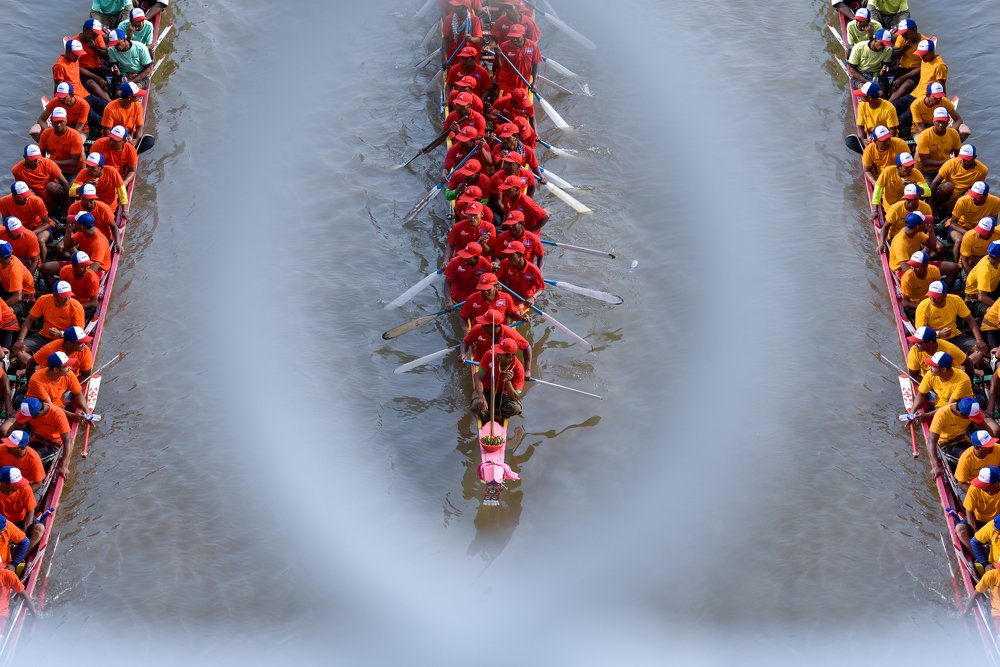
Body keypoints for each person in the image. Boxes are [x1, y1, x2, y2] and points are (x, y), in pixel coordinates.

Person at [12, 281, 85, 357]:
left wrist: (61, 334)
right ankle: (37, 367)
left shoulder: (77, 307)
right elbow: (30, 319)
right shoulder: (43, 300)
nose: (67, 298)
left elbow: (78, 334)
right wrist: (20, 340)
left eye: (69, 295)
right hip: (43, 337)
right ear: (55, 295)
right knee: (20, 349)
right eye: (64, 296)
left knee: (59, 360)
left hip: (64, 341)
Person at [916, 280, 988, 357]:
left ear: (944, 295)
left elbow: (970, 319)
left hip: (956, 337)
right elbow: (921, 334)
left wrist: (979, 340)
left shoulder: (955, 300)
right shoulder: (923, 307)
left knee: (981, 349)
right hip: (935, 341)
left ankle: (963, 366)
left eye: (935, 296)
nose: (932, 298)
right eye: (930, 295)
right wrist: (938, 334)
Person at [7, 398, 72, 472]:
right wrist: (7, 446)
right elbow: (14, 427)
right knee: (14, 455)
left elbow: (68, 441)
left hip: (52, 445)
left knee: (29, 460)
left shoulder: (57, 414)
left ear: (40, 413)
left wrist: (64, 465)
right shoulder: (29, 410)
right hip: (35, 438)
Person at [926, 402, 990, 477]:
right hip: (947, 445)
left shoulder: (969, 409)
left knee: (984, 455)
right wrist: (935, 465)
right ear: (960, 413)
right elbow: (931, 442)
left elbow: (985, 427)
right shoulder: (942, 414)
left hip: (963, 439)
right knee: (969, 460)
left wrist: (991, 445)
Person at [471, 337, 525, 420]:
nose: (497, 354)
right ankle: (491, 412)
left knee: (515, 409)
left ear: (509, 356)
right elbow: (477, 376)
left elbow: (514, 397)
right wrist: (481, 396)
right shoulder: (490, 355)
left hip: (504, 396)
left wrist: (508, 382)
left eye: (500, 353)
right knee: (475, 405)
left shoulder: (519, 369)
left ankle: (490, 412)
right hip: (486, 390)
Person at [462, 309, 531, 372]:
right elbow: (466, 341)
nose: (482, 325)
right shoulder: (478, 328)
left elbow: (527, 347)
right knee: (479, 379)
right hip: (480, 362)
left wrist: (527, 370)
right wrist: (463, 353)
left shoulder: (509, 333)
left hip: (500, 364)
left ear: (494, 325)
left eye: (485, 324)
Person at [932, 144, 989, 216]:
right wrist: (932, 207)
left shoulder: (983, 170)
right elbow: (934, 182)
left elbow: (978, 186)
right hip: (946, 193)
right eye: (961, 158)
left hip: (961, 195)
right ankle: (938, 206)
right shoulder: (951, 163)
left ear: (974, 157)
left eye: (966, 159)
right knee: (947, 186)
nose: (962, 161)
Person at [912, 351, 975, 416]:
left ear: (943, 370)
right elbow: (921, 393)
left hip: (962, 405)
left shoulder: (963, 380)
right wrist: (911, 412)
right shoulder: (930, 374)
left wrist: (928, 415)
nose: (929, 368)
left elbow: (950, 404)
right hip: (944, 401)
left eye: (933, 366)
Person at [27, 326, 94, 387]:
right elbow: (31, 363)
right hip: (47, 381)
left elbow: (86, 376)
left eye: (84, 342)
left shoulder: (85, 351)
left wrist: (67, 386)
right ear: (69, 343)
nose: (84, 345)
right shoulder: (50, 349)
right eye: (80, 343)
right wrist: (30, 384)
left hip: (69, 383)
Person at [53, 38, 111, 107]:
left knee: (107, 106)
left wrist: (97, 78)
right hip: (76, 99)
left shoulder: (74, 59)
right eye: (75, 54)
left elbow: (80, 70)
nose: (78, 57)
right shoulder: (60, 66)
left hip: (85, 94)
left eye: (79, 54)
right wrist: (56, 105)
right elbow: (58, 88)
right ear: (67, 52)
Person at [890, 39, 947, 109]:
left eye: (924, 55)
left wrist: (944, 106)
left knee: (903, 118)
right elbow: (920, 69)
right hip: (914, 94)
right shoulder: (925, 60)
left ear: (932, 52)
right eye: (920, 55)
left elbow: (941, 87)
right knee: (892, 107)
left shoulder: (939, 66)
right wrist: (903, 78)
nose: (921, 57)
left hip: (924, 99)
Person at [11, 144, 68, 213]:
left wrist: (67, 207)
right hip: (37, 195)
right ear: (25, 157)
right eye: (33, 159)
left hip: (52, 192)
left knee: (52, 186)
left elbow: (65, 182)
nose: (37, 161)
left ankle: (61, 206)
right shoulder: (17, 170)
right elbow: (22, 187)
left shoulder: (48, 163)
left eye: (38, 158)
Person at [26, 352, 86, 417]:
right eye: (66, 366)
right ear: (56, 369)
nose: (70, 368)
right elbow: (49, 404)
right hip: (38, 406)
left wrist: (87, 412)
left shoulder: (69, 374)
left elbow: (78, 393)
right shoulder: (36, 380)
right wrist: (72, 415)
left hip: (56, 401)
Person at [906, 325, 972, 382]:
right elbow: (913, 375)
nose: (915, 345)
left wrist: (970, 383)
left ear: (930, 343)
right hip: (931, 383)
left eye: (919, 343)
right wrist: (930, 387)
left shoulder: (949, 349)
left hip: (953, 381)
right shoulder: (914, 351)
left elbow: (968, 362)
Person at [0, 183, 52, 251]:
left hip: (37, 227)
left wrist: (30, 234)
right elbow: (6, 221)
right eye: (22, 196)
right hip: (17, 228)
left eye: (27, 195)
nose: (26, 198)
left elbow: (46, 223)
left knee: (40, 241)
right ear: (14, 195)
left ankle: (43, 261)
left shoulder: (37, 201)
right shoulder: (3, 202)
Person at [0, 467, 40, 552]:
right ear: (3, 484)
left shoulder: (25, 488)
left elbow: (30, 511)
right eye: (16, 485)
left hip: (21, 520)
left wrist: (22, 534)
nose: (19, 487)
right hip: (3, 523)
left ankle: (21, 557)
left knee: (39, 530)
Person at [493, 24, 542, 93]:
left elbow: (535, 64)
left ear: (523, 36)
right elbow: (498, 67)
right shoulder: (504, 46)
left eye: (517, 37)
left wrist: (534, 83)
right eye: (512, 37)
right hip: (506, 84)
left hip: (523, 84)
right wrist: (497, 55)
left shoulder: (533, 46)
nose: (514, 40)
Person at [444, 200, 495, 265]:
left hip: (482, 262)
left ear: (481, 214)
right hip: (462, 259)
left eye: (475, 215)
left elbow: (490, 252)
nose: (472, 218)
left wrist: (484, 244)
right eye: (469, 215)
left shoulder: (490, 228)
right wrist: (446, 260)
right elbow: (451, 245)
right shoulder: (457, 226)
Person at [495, 241, 544, 307]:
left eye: (511, 255)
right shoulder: (506, 262)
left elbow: (541, 288)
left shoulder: (534, 270)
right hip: (508, 294)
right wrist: (499, 284)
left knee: (516, 315)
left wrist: (533, 297)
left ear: (520, 255)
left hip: (524, 299)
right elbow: (500, 277)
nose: (508, 257)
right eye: (508, 254)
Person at [38, 107, 84, 176]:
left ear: (66, 121)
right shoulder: (46, 133)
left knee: (68, 186)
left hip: (72, 171)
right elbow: (41, 155)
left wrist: (51, 162)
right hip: (53, 168)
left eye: (61, 121)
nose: (58, 125)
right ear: (51, 120)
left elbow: (74, 162)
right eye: (56, 122)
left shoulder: (75, 136)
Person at [443, 241, 491, 307]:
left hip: (478, 293)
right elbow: (447, 282)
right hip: (459, 293)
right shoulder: (454, 262)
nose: (464, 258)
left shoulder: (486, 265)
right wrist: (448, 300)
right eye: (464, 255)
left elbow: (488, 285)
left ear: (476, 258)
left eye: (468, 257)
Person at [957, 426, 1000, 493]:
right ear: (977, 447)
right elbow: (962, 483)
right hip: (978, 486)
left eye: (992, 443)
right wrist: (977, 495)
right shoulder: (965, 459)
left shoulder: (997, 448)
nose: (992, 446)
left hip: (994, 480)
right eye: (988, 446)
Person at [964, 467, 1000, 542]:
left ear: (997, 484)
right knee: (960, 530)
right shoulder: (974, 488)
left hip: (996, 523)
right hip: (978, 521)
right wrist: (976, 532)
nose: (980, 488)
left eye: (984, 486)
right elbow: (969, 511)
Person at [0, 242, 36, 318]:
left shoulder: (14, 270)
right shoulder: (6, 260)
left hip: (24, 300)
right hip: (8, 291)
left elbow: (17, 297)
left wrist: (1, 307)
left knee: (5, 312)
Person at [965, 242, 1000, 318]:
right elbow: (982, 297)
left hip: (991, 291)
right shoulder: (985, 270)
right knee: (995, 313)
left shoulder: (993, 260)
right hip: (975, 300)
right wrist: (997, 307)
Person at [75, 18, 109, 84]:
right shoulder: (75, 44)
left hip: (97, 68)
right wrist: (96, 78)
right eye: (93, 34)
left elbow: (106, 55)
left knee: (106, 86)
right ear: (85, 30)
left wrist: (94, 48)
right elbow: (75, 67)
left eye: (97, 34)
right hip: (84, 71)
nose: (95, 36)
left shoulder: (97, 37)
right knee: (92, 85)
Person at [891, 19, 924, 83]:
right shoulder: (901, 37)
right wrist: (905, 48)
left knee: (907, 85)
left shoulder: (924, 43)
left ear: (914, 30)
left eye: (906, 34)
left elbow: (924, 66)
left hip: (916, 71)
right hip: (902, 68)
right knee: (893, 87)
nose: (903, 36)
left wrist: (903, 78)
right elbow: (894, 55)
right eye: (902, 34)